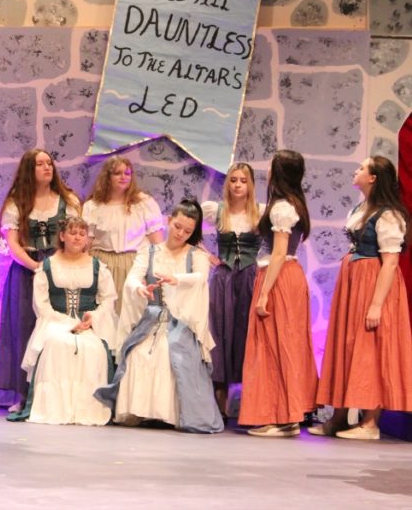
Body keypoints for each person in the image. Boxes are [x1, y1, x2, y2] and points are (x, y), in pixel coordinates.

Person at [95, 200, 224, 434]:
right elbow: (133, 277)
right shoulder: (149, 251)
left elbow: (200, 278)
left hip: (180, 322)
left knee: (170, 352)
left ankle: (170, 414)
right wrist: (139, 289)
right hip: (152, 318)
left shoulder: (196, 256)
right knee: (137, 353)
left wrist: (178, 279)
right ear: (169, 221)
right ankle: (141, 411)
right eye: (177, 226)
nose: (180, 233)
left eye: (187, 231)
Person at [310, 156, 412, 439]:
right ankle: (340, 417)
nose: (356, 171)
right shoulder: (360, 208)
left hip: (374, 282)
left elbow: (390, 262)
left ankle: (369, 423)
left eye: (361, 168)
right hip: (354, 282)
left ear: (373, 177)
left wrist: (377, 304)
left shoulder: (388, 214)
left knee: (371, 348)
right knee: (347, 344)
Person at [239, 150, 317, 437]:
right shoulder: (292, 203)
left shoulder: (283, 207)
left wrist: (263, 295)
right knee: (283, 343)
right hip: (286, 277)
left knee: (274, 345)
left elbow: (280, 252)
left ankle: (282, 416)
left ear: (278, 172)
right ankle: (284, 414)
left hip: (279, 278)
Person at [0, 149, 81, 412]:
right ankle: (24, 395)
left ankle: (57, 396)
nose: (47, 168)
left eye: (49, 163)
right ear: (28, 170)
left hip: (62, 272)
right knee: (25, 329)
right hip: (27, 271)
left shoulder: (68, 201)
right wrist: (37, 267)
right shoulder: (17, 203)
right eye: (40, 164)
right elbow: (13, 244)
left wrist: (58, 268)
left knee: (60, 330)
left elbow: (78, 237)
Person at [10, 217, 117, 425]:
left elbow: (109, 299)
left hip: (89, 324)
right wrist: (68, 324)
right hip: (54, 322)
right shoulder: (48, 266)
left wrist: (91, 318)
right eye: (72, 232)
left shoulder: (97, 267)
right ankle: (57, 409)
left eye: (82, 234)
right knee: (58, 344)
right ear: (62, 236)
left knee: (92, 349)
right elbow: (41, 306)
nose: (77, 237)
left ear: (87, 239)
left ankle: (85, 409)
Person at [201, 163, 263, 418]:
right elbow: (188, 230)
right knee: (221, 333)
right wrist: (207, 255)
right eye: (233, 180)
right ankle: (221, 400)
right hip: (224, 279)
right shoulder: (216, 211)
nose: (238, 185)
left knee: (247, 333)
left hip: (249, 277)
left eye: (243, 181)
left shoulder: (261, 213)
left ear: (250, 185)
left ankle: (252, 401)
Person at [83, 156, 165, 318]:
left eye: (127, 173)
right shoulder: (93, 206)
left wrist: (158, 270)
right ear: (108, 176)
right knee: (104, 316)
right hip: (103, 265)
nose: (123, 177)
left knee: (132, 316)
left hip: (134, 265)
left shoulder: (143, 203)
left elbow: (158, 243)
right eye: (117, 173)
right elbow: (87, 245)